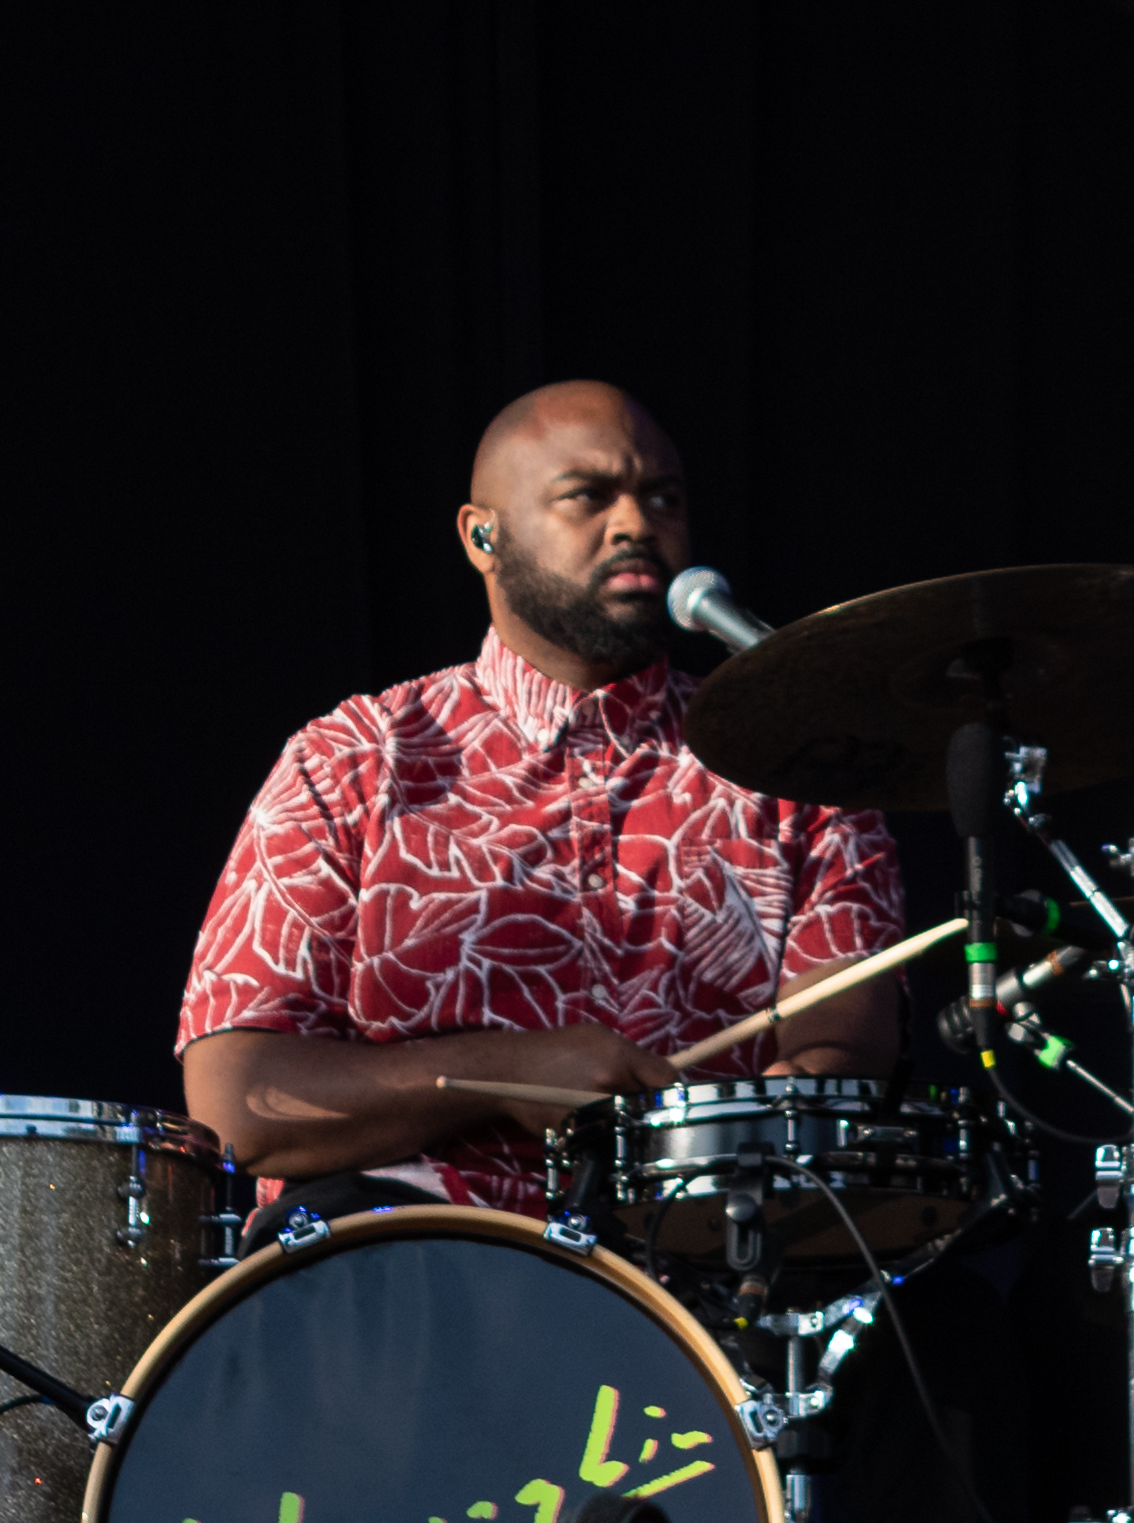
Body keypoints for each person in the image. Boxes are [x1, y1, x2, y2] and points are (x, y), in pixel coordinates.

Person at [178, 383, 903, 1213]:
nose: (636, 523)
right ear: (482, 534)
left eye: (662, 496)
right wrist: (503, 1071)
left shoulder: (794, 769)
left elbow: (843, 1046)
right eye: (588, 496)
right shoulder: (351, 762)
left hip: (701, 1272)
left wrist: (759, 1118)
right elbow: (241, 1104)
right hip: (408, 1270)